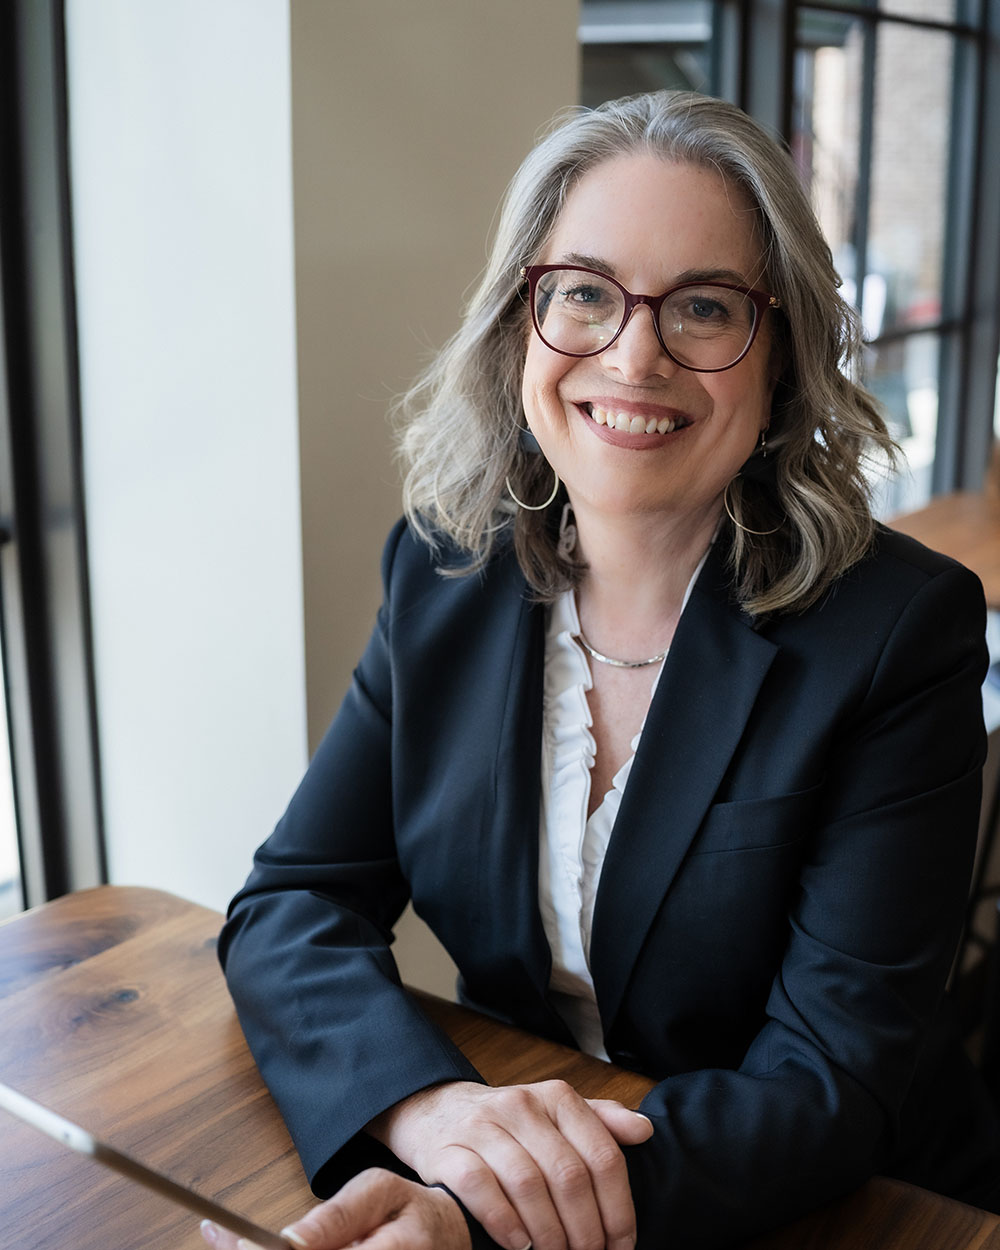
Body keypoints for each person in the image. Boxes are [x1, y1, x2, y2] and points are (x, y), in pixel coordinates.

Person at [200, 90, 1000, 1250]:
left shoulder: (897, 631)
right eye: (583, 291)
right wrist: (431, 1113)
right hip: (504, 1143)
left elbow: (830, 1075)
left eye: (705, 307)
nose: (634, 354)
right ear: (521, 323)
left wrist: (475, 1211)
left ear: (778, 362)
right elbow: (293, 903)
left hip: (828, 1208)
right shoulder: (443, 573)